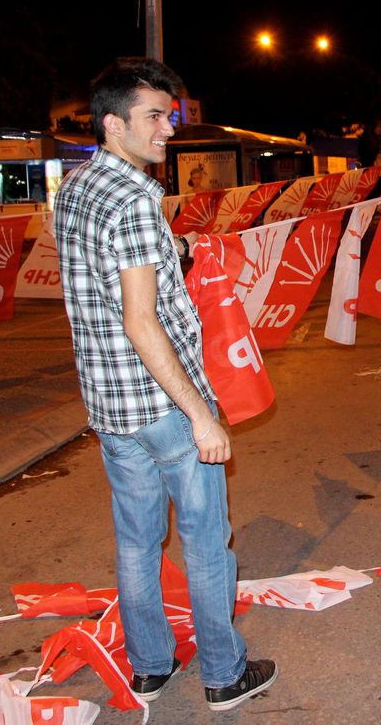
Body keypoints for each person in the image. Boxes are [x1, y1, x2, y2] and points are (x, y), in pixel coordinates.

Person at [54, 58, 277, 711]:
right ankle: (223, 674)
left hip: (109, 406)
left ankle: (150, 664)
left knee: (135, 539)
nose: (167, 130)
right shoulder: (133, 201)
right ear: (113, 122)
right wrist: (201, 415)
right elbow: (141, 321)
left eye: (169, 115)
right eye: (154, 116)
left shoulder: (76, 190)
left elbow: (106, 278)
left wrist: (172, 253)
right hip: (163, 403)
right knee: (206, 539)